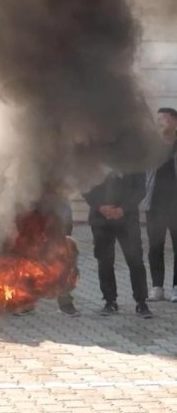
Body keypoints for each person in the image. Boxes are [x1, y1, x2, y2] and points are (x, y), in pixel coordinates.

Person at [83, 171, 152, 318]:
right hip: (100, 218)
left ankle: (141, 302)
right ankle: (109, 301)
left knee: (135, 260)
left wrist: (122, 209)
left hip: (127, 219)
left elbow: (140, 189)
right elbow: (85, 186)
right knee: (105, 260)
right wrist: (101, 207)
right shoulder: (94, 155)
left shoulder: (134, 159)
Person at [143, 107, 177, 302]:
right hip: (154, 204)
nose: (160, 123)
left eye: (163, 119)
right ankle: (157, 286)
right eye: (158, 120)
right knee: (155, 245)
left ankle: (176, 286)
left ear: (174, 122)